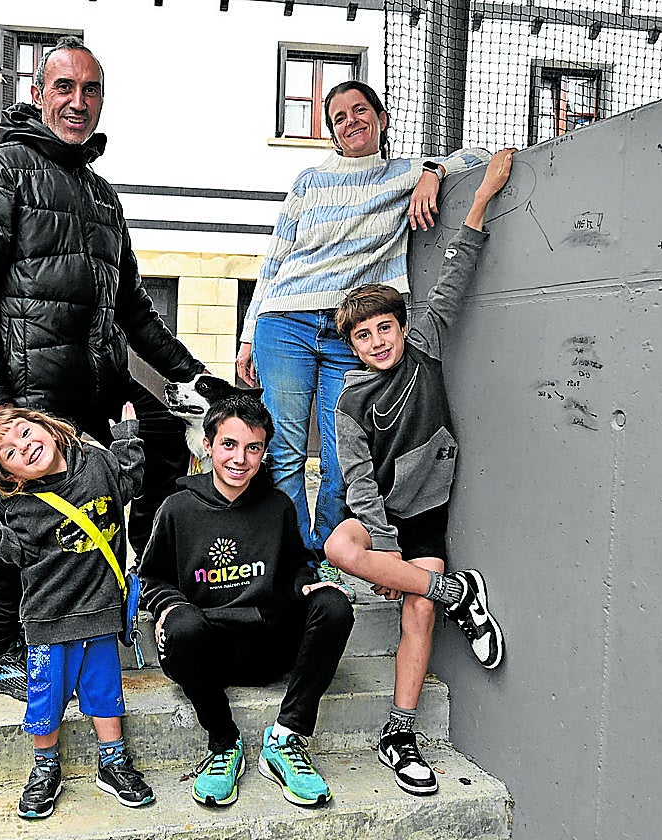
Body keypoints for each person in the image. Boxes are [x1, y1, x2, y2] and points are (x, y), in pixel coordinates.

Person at [0, 35, 206, 701]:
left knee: (164, 445)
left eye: (91, 90)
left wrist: (198, 381)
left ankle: (128, 586)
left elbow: (134, 310)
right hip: (29, 390)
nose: (78, 102)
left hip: (98, 382)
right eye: (65, 88)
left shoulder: (101, 196)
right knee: (19, 512)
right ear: (38, 94)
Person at [324, 148, 515, 797]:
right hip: (384, 520)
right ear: (350, 345)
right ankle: (461, 596)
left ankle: (398, 732)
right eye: (364, 335)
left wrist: (483, 194)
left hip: (427, 513)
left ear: (402, 327)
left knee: (416, 610)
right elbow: (356, 482)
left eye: (385, 328)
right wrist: (383, 547)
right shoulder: (350, 400)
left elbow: (457, 271)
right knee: (338, 545)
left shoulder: (426, 342)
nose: (378, 341)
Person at [237, 80, 491, 561]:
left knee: (341, 458)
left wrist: (434, 172)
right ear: (332, 131)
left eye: (360, 111)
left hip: (348, 332)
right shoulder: (308, 181)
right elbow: (275, 259)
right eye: (339, 117)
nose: (350, 121)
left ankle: (330, 551)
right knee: (286, 449)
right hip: (284, 321)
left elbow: (478, 156)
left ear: (381, 118)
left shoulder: (405, 173)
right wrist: (250, 335)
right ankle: (293, 559)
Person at [138, 394, 354, 809]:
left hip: (268, 644)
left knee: (334, 604)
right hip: (206, 648)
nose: (240, 458)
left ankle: (287, 739)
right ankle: (224, 744)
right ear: (208, 445)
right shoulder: (177, 508)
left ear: (264, 452)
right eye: (229, 445)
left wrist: (309, 584)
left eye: (253, 447)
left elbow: (296, 566)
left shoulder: (278, 506)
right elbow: (152, 577)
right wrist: (168, 605)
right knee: (181, 623)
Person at [0, 403, 155, 819]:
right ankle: (45, 768)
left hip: (100, 611)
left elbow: (129, 483)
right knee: (46, 696)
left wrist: (129, 439)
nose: (24, 448)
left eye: (24, 433)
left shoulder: (95, 462)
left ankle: (113, 763)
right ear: (9, 475)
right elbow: (19, 554)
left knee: (105, 691)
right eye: (10, 454)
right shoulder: (16, 504)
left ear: (45, 426)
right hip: (48, 617)